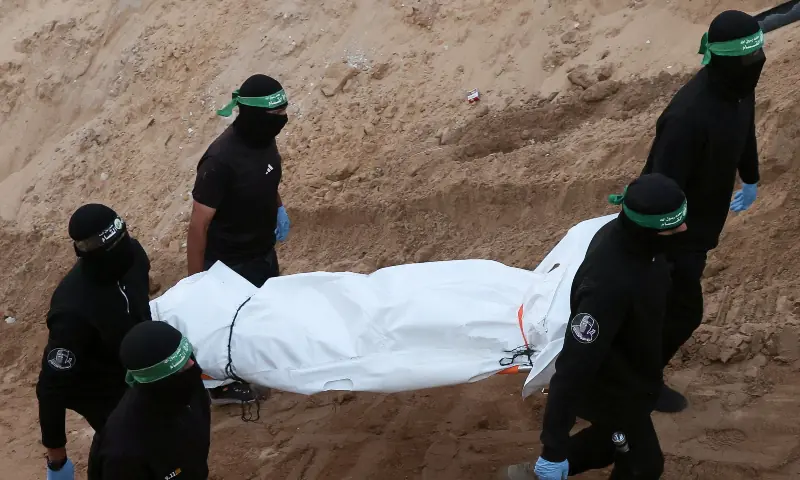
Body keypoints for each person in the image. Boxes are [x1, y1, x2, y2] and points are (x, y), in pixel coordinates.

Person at [504, 173, 688, 480]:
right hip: (610, 391)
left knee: (608, 444)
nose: (683, 228)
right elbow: (573, 368)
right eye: (672, 226)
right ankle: (542, 472)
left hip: (634, 379)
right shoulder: (608, 286)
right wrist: (553, 451)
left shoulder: (635, 240)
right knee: (643, 466)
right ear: (647, 232)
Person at [640, 9, 766, 413]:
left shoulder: (738, 89)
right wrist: (663, 244)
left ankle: (632, 376)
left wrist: (750, 177)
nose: (758, 64)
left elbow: (744, 130)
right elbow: (660, 183)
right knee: (675, 311)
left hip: (702, 225)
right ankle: (631, 382)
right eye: (749, 58)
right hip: (669, 232)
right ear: (724, 60)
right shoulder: (686, 116)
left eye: (759, 54)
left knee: (670, 311)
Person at [187, 74, 291, 405]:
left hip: (261, 249)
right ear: (255, 114)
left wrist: (279, 207)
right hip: (228, 261)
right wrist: (196, 281)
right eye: (276, 115)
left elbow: (267, 177)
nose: (282, 121)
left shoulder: (264, 140)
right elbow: (198, 225)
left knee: (261, 314)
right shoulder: (220, 161)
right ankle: (219, 385)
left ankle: (256, 365)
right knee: (224, 324)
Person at [36, 204, 152, 479]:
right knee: (126, 447)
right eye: (114, 248)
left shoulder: (133, 255)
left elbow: (137, 302)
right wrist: (57, 462)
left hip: (131, 366)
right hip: (96, 386)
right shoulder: (72, 310)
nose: (125, 250)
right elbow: (51, 387)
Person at [87, 321, 210, 480]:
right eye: (180, 368)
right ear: (159, 383)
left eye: (188, 356)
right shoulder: (124, 454)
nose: (193, 365)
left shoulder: (189, 387)